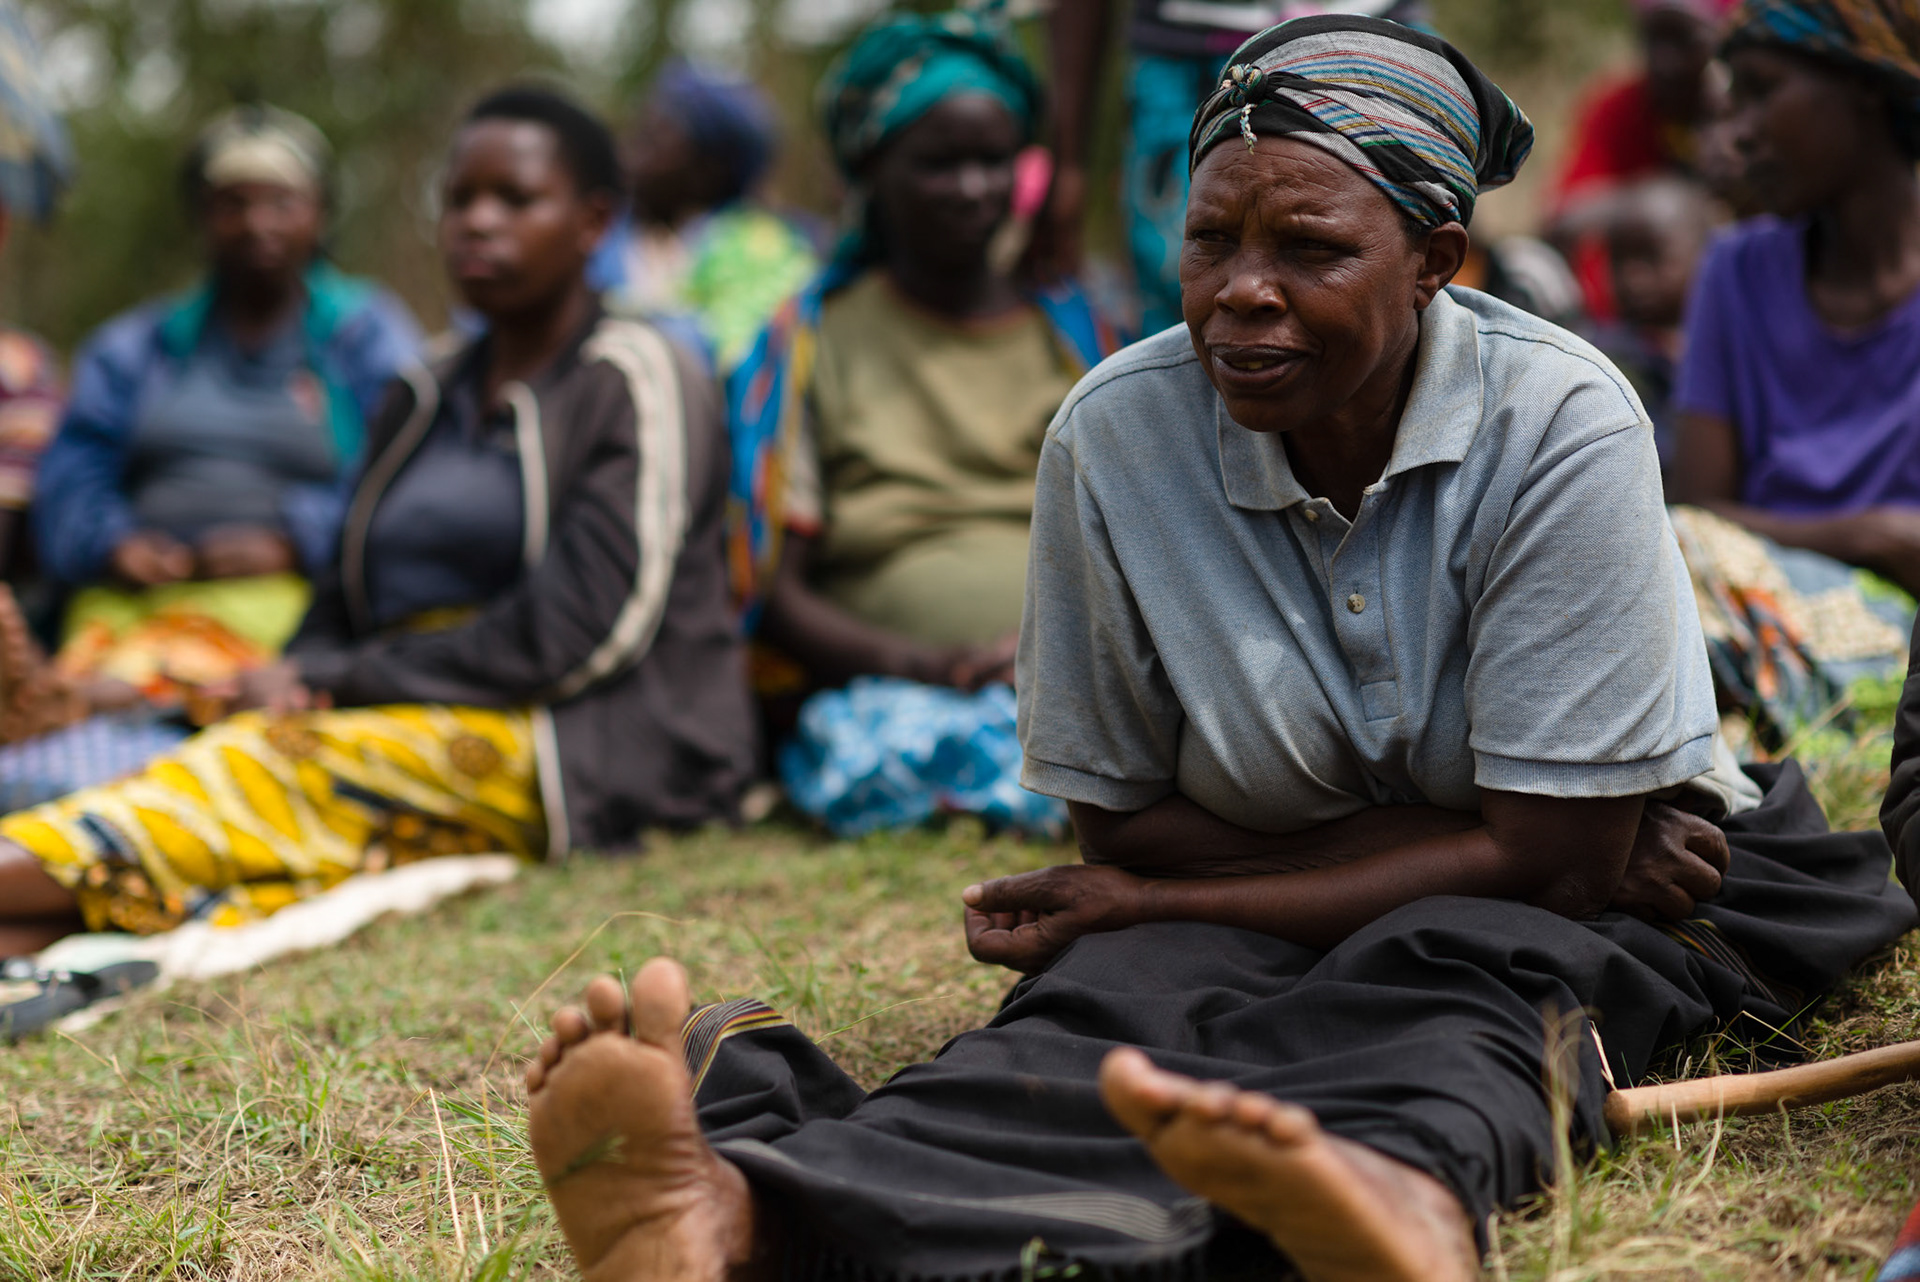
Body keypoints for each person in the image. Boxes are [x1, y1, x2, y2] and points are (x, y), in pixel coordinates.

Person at [522, 18, 1914, 1282]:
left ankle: (1400, 1197)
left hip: (1542, 915)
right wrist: (1456, 835)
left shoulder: (1560, 425)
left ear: (1435, 261)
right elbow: (1130, 825)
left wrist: (1182, 889)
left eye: (1310, 249)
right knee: (1093, 1020)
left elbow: (1550, 874)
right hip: (1443, 872)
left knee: (1470, 976)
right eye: (1210, 242)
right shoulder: (1115, 438)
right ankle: (741, 1217)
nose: (1240, 292)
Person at [0, 86, 753, 956]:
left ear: (593, 221)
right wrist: (299, 667)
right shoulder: (427, 385)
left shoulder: (637, 373)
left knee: (270, 770)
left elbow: (578, 635)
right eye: (460, 200)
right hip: (412, 696)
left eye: (514, 199)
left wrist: (343, 677)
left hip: (580, 738)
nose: (476, 223)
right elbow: (349, 580)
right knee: (223, 757)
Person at [730, 9, 1115, 834]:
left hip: (1075, 678)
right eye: (940, 164)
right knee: (893, 752)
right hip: (897, 692)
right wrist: (930, 665)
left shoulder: (1080, 334)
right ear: (871, 171)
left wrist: (1045, 653)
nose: (974, 188)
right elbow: (779, 591)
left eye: (994, 161)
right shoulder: (813, 340)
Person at [24, 105, 421, 723]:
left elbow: (408, 473)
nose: (256, 222)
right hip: (133, 611)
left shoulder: (364, 335)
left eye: (282, 202)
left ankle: (147, 701)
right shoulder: (137, 347)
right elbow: (72, 474)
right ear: (203, 218)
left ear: (319, 214)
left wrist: (295, 541)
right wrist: (113, 543)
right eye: (232, 203)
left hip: (295, 613)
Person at [1667, 0, 1920, 747]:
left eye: (1761, 89)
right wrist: (1872, 535)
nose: (1736, 133)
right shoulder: (1736, 272)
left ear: (1866, 84)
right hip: (1746, 599)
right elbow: (1703, 512)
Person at [1043, 0, 1432, 334]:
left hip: (1369, 44)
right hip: (1186, 56)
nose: (1250, 290)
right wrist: (1067, 163)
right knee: (1178, 292)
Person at [587, 61, 817, 374]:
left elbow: (738, 361)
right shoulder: (598, 232)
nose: (629, 154)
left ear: (707, 171)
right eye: (636, 135)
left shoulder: (760, 250)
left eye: (653, 143)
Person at [1548, 0, 1734, 322]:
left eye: (1683, 40)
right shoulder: (1621, 107)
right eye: (1653, 40)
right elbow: (1562, 219)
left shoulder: (1744, 117)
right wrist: (1664, 202)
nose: (1665, 60)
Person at [1588, 176, 1717, 471]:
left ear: (1707, 251)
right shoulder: (1606, 355)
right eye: (1619, 260)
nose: (1633, 279)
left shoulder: (1729, 345)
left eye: (1651, 257)